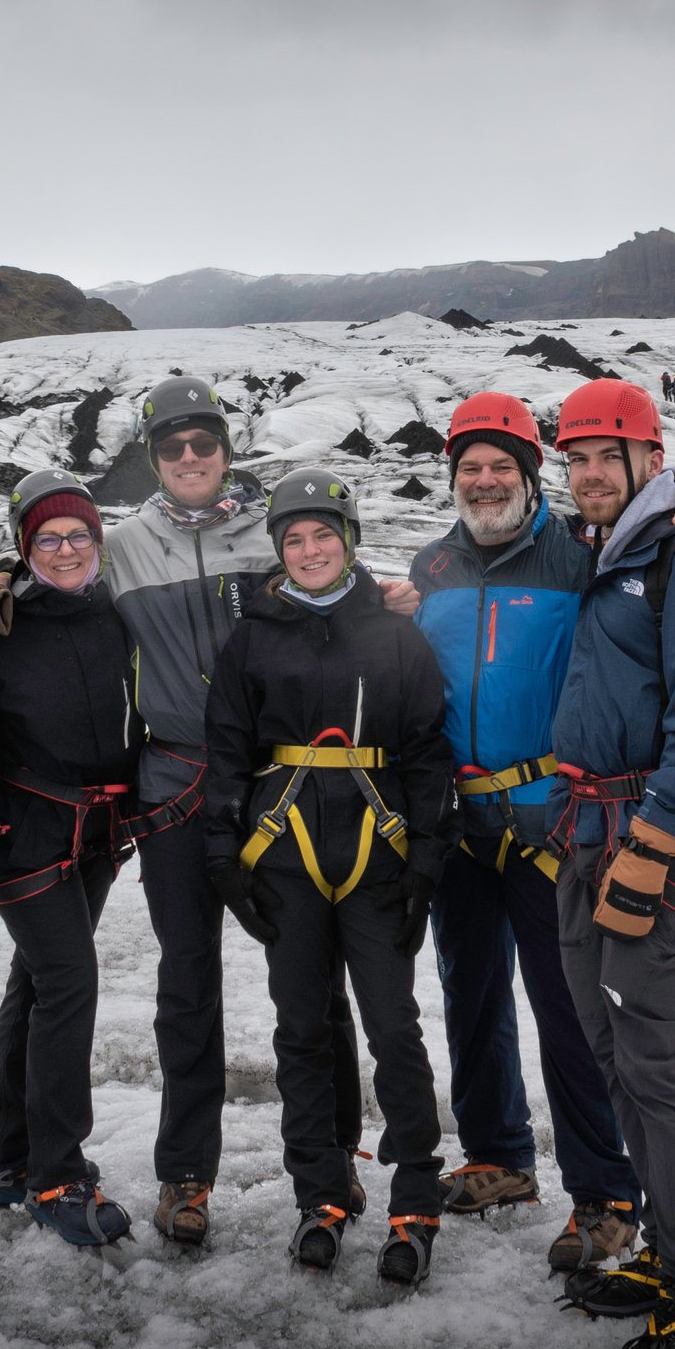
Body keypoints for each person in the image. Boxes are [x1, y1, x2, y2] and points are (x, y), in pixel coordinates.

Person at [385, 392, 675, 1277]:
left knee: (572, 1013)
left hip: (560, 821)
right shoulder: (431, 568)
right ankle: (500, 1159)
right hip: (462, 818)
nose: (484, 482)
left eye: (501, 467)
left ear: (529, 475)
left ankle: (604, 1193)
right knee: (470, 995)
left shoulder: (580, 554)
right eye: (469, 469)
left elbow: (671, 579)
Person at [101, 377, 365, 1247]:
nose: (188, 458)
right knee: (188, 983)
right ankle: (186, 1174)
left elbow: (343, 590)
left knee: (311, 979)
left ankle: (331, 1160)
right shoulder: (124, 546)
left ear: (225, 445)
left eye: (201, 441)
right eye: (171, 445)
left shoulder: (277, 533)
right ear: (151, 454)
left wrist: (399, 594)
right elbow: (51, 581)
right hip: (175, 786)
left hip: (277, 785)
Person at [203, 468, 456, 1284]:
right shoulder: (252, 638)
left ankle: (415, 1195)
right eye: (295, 539)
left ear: (348, 540)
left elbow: (424, 747)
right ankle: (321, 1192)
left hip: (378, 856)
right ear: (279, 548)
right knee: (302, 1029)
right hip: (284, 856)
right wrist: (221, 851)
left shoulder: (394, 632)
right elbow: (227, 752)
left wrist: (427, 854)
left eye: (324, 536)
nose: (310, 551)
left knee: (394, 1030)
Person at [550, 379, 675, 1349]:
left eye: (603, 457)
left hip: (652, 847)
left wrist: (656, 843)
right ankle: (666, 1253)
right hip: (587, 835)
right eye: (575, 458)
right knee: (610, 1050)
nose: (586, 475)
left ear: (647, 455)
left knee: (654, 1059)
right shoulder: (607, 547)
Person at [0, 469, 139, 1247]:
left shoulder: (117, 608)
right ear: (23, 548)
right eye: (48, 539)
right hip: (22, 834)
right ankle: (57, 1174)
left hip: (99, 833)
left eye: (78, 536)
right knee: (68, 982)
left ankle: (3, 1165)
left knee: (34, 984)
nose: (66, 550)